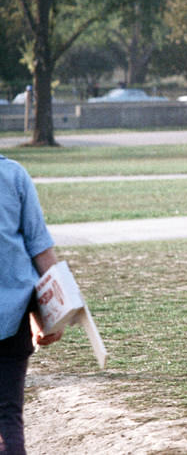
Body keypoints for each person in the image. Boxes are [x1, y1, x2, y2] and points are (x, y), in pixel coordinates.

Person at [1, 154, 63, 454]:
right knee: (7, 418)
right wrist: (52, 316)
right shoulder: (12, 175)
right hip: (11, 321)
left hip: (11, 323)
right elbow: (41, 250)